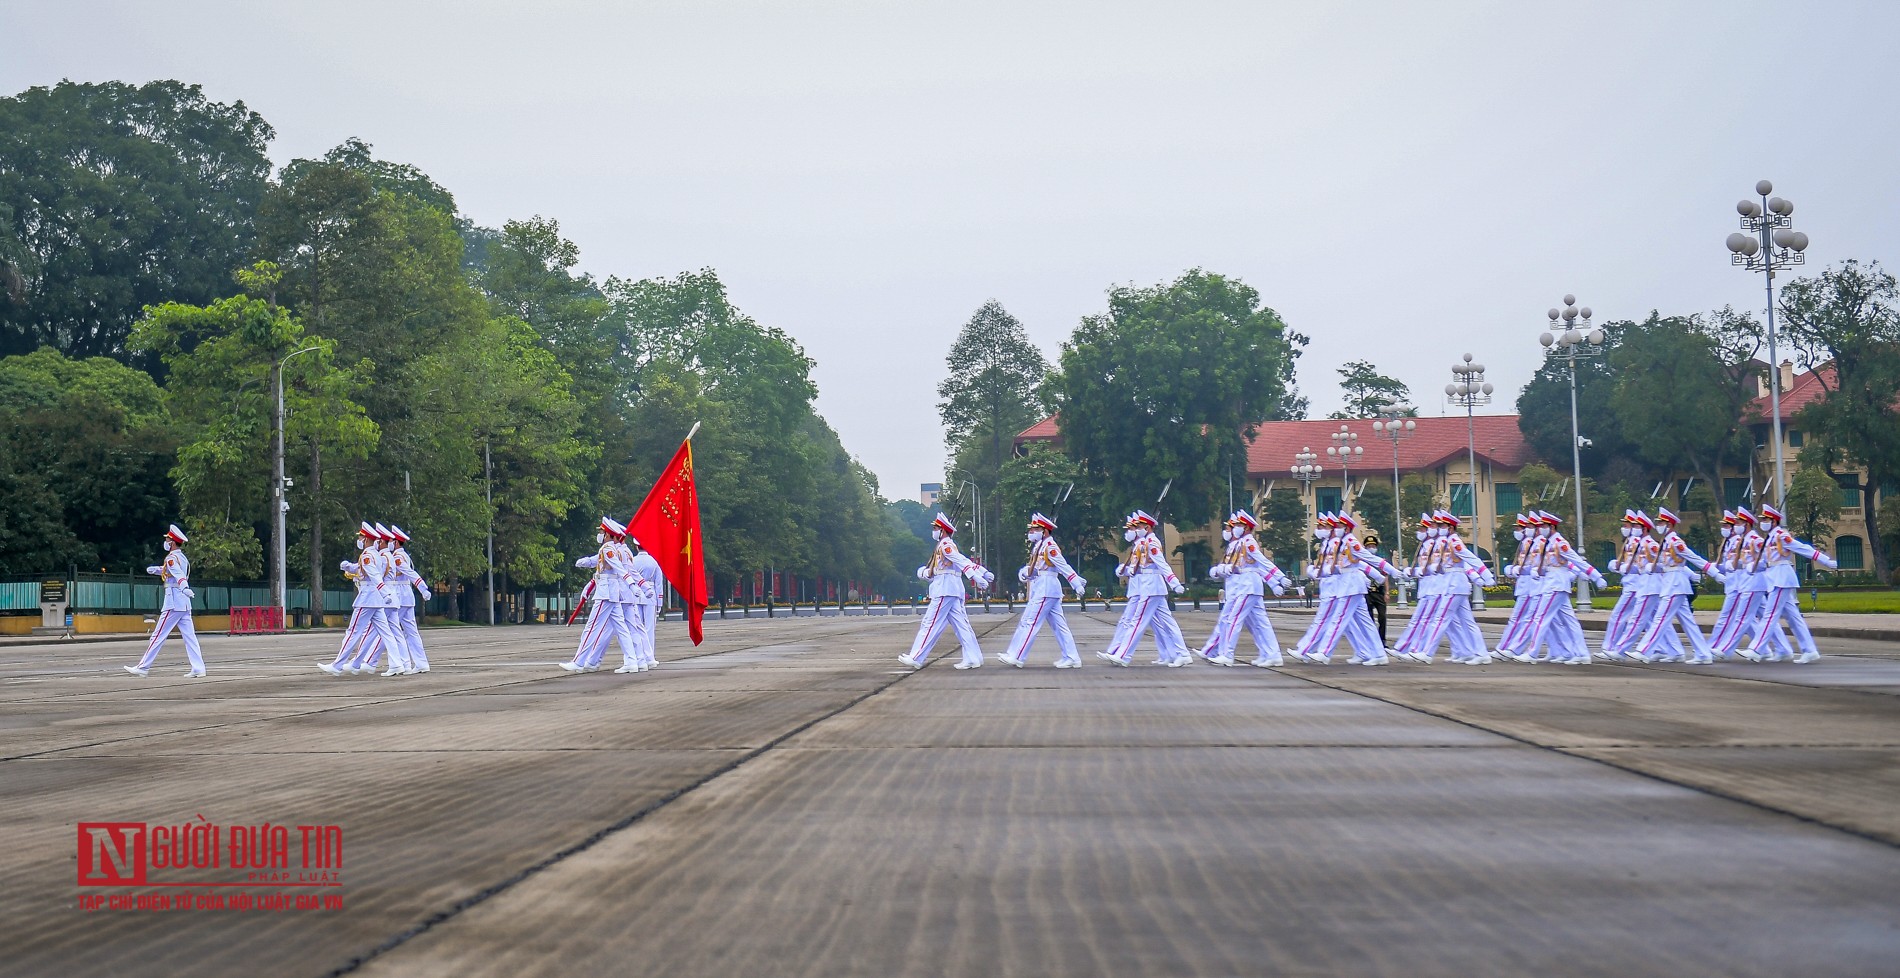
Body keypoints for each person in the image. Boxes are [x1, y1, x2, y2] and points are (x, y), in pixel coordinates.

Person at [1737, 503, 1836, 664]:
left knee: (1769, 615)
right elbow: (1767, 561)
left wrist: (1825, 561)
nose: (1763, 522)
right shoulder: (1770, 538)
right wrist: (1751, 566)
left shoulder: (1782, 536)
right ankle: (1809, 650)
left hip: (1781, 578)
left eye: (1766, 519)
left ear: (1774, 521)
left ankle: (1756, 649)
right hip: (1775, 577)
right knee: (1793, 617)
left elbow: (1803, 548)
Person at [1098, 511, 1191, 667]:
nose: (1135, 530)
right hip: (1149, 587)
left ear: (1147, 527)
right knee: (1167, 623)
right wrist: (1124, 570)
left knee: (1137, 622)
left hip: (1151, 587)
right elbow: (1139, 568)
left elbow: (1162, 564)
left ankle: (1123, 655)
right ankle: (1182, 654)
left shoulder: (1151, 543)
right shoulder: (1142, 543)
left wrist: (1174, 582)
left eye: (1139, 526)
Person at [1200, 509, 1291, 667]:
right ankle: (1272, 654)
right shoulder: (1237, 544)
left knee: (1232, 620)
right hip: (1242, 587)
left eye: (1238, 525)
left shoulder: (1248, 541)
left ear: (1247, 528)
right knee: (1260, 624)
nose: (1235, 527)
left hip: (1247, 587)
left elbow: (1261, 561)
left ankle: (1226, 654)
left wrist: (1278, 577)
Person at [903, 512, 994, 669]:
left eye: (935, 528)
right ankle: (973, 657)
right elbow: (963, 560)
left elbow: (960, 561)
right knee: (962, 626)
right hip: (950, 588)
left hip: (945, 589)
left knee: (930, 624)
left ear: (942, 530)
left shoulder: (945, 545)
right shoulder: (946, 545)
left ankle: (916, 657)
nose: (934, 530)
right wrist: (981, 571)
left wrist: (977, 577)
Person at [996, 513, 1087, 668]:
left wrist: (1076, 583)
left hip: (1046, 588)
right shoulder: (1039, 547)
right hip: (1042, 587)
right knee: (1058, 626)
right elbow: (1035, 569)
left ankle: (1017, 656)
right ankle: (1072, 657)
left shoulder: (1050, 547)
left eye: (1035, 529)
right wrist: (1025, 573)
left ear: (1044, 531)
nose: (1032, 532)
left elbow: (1063, 566)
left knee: (1030, 622)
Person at [562, 517, 652, 674]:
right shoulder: (616, 550)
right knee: (622, 628)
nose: (601, 535)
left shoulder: (608, 549)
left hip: (606, 594)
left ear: (609, 535)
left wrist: (633, 585)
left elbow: (621, 569)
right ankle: (632, 661)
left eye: (603, 532)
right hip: (613, 593)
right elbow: (603, 566)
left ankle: (579, 661)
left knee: (592, 628)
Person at [320, 523, 408, 677]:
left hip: (367, 598)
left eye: (361, 537)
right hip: (377, 600)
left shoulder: (368, 555)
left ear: (366, 539)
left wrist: (385, 592)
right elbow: (365, 570)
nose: (359, 539)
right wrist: (348, 567)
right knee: (386, 633)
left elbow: (374, 575)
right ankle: (396, 664)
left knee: (353, 632)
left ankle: (337, 665)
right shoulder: (375, 554)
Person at [1632, 507, 1714, 664]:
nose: (1658, 524)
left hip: (1675, 584)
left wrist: (1716, 574)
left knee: (1660, 619)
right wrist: (1652, 567)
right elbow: (1664, 565)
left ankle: (1643, 650)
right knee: (1687, 622)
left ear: (1669, 524)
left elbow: (1694, 558)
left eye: (1661, 522)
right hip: (1671, 583)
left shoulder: (1675, 542)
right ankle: (1703, 654)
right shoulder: (1665, 541)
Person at [125, 523, 206, 678]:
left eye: (168, 539)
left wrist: (184, 587)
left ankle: (143, 667)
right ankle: (198, 668)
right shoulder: (182, 558)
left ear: (173, 542)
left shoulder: (171, 558)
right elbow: (171, 573)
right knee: (190, 637)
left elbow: (177, 575)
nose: (166, 542)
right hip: (184, 604)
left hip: (174, 602)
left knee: (157, 635)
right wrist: (155, 570)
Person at [386, 525, 432, 673]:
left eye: (391, 540)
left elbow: (410, 573)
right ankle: (420, 663)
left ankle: (403, 663)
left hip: (399, 596)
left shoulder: (398, 557)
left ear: (396, 542)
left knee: (391, 630)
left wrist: (423, 588)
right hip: (407, 597)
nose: (389, 543)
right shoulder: (404, 555)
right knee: (411, 632)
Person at [627, 533, 665, 671]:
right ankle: (650, 656)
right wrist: (659, 603)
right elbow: (659, 583)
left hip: (636, 594)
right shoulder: (654, 562)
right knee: (649, 628)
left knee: (637, 627)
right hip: (650, 595)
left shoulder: (632, 561)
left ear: (636, 547)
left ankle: (639, 656)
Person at [1361, 530, 1389, 646]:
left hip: (1379, 592)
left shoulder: (1380, 562)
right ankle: (1372, 641)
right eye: (1369, 546)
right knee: (1369, 618)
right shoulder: (1362, 561)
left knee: (1382, 617)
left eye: (1373, 546)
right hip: (1367, 593)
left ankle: (1382, 640)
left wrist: (1387, 592)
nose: (1371, 548)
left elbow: (1385, 576)